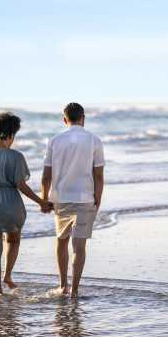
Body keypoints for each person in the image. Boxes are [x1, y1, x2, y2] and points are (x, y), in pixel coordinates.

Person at [0, 112, 52, 295]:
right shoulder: (17, 156)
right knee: (13, 240)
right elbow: (20, 184)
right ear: (11, 135)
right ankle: (7, 275)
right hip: (11, 204)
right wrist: (41, 201)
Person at [41, 102, 105, 298]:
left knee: (61, 241)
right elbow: (99, 175)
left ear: (64, 119)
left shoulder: (54, 140)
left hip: (60, 198)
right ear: (83, 118)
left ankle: (63, 285)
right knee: (79, 246)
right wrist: (98, 199)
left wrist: (44, 199)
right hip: (85, 198)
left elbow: (46, 175)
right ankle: (75, 290)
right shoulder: (94, 140)